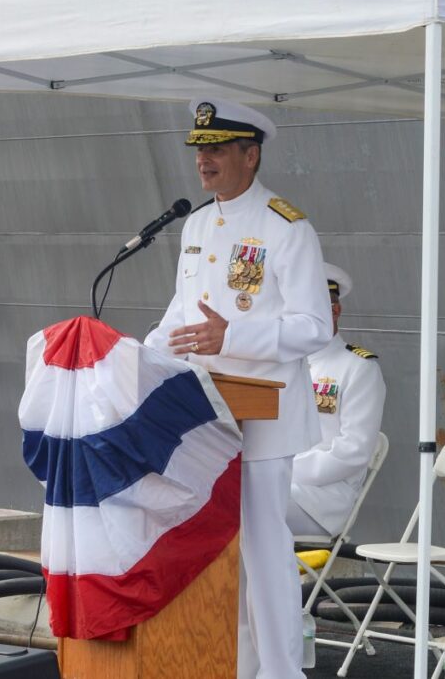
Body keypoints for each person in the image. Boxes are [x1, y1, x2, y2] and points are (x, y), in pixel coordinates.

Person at [145, 98, 331, 679]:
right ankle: (237, 663)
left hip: (265, 415)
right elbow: (182, 312)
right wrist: (135, 355)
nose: (204, 161)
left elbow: (314, 326)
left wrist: (234, 335)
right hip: (207, 413)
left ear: (251, 155)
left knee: (264, 546)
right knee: (220, 548)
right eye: (200, 150)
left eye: (218, 149)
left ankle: (282, 670)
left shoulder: (287, 227)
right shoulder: (198, 225)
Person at [287, 263, 387, 538]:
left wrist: (283, 470)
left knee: (243, 508)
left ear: (334, 311)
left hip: (323, 501)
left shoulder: (358, 368)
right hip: (279, 485)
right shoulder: (283, 363)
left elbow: (353, 452)